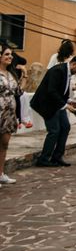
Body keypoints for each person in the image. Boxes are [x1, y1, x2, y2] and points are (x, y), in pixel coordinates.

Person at [31, 55, 76, 167]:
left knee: (65, 126)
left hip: (57, 104)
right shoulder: (58, 70)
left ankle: (57, 157)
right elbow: (52, 91)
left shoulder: (68, 72)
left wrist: (70, 101)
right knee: (54, 131)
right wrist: (65, 106)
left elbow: (62, 91)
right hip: (47, 104)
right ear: (74, 64)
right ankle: (44, 159)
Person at [0, 44, 20, 184]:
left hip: (9, 115)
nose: (10, 57)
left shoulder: (11, 73)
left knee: (4, 144)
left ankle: (0, 173)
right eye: (7, 54)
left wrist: (23, 74)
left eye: (11, 54)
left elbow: (19, 93)